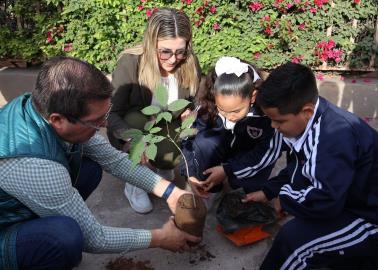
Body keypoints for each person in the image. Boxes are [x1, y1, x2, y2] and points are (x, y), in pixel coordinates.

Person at [0, 56, 200, 270]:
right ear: (57, 120)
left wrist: (170, 191)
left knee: (91, 168)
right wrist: (160, 238)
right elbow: (95, 239)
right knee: (66, 236)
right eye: (96, 121)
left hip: (18, 203)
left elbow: (113, 160)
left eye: (104, 116)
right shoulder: (36, 167)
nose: (104, 125)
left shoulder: (38, 105)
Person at [244, 62, 378, 269]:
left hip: (369, 217)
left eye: (279, 120)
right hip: (349, 201)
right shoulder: (313, 120)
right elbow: (303, 166)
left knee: (294, 242)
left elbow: (325, 203)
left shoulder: (335, 137)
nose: (273, 126)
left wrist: (285, 198)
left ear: (306, 111)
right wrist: (268, 191)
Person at [107, 7, 201, 214]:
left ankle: (161, 166)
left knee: (172, 159)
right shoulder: (130, 62)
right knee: (135, 118)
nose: (173, 59)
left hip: (167, 125)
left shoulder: (189, 62)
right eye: (165, 51)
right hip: (136, 126)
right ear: (151, 45)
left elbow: (194, 100)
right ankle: (135, 182)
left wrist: (190, 112)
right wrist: (130, 140)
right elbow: (112, 113)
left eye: (180, 51)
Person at [181, 56, 282, 200]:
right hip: (223, 148)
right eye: (222, 109)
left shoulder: (266, 115)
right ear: (214, 96)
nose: (229, 117)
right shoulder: (207, 104)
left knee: (244, 187)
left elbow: (269, 152)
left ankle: (235, 183)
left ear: (253, 97)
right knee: (203, 143)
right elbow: (187, 136)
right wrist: (189, 173)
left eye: (236, 111)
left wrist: (228, 170)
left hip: (248, 155)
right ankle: (211, 189)